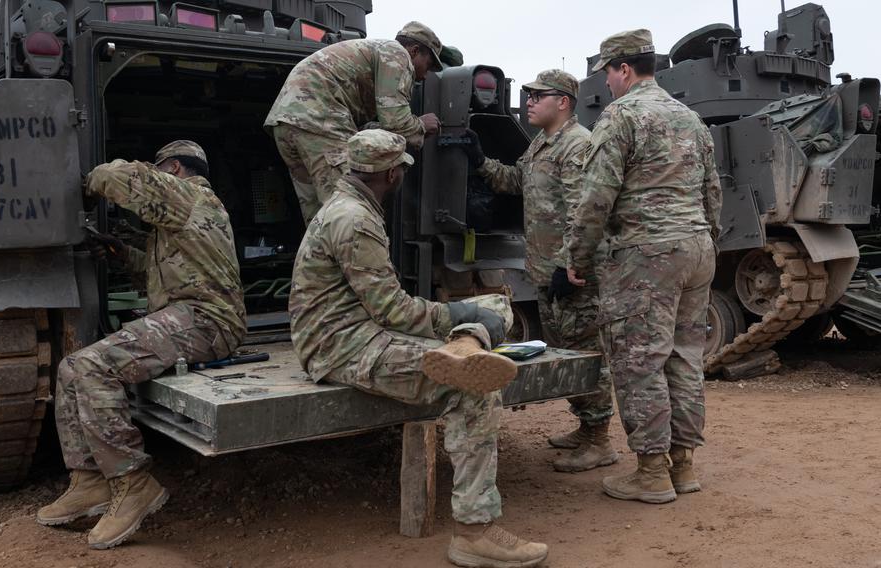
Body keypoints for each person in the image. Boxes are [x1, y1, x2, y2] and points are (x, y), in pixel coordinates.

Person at [289, 129, 549, 568]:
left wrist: (468, 312)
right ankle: (474, 531)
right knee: (476, 392)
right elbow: (393, 311)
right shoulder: (354, 220)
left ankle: (468, 345)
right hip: (341, 345)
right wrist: (455, 313)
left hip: (353, 331)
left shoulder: (347, 206)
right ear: (393, 173)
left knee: (493, 305)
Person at [37, 141, 247, 548]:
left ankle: (133, 482)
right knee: (70, 367)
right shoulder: (185, 217)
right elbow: (165, 278)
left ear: (172, 168)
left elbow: (118, 177)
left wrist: (86, 183)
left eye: (159, 171)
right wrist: (120, 253)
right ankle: (89, 480)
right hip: (191, 315)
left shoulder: (190, 194)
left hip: (208, 321)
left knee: (92, 366)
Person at [565, 30, 722, 504]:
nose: (607, 84)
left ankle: (652, 471)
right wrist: (703, 240)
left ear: (624, 70)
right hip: (695, 248)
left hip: (645, 255)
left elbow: (595, 197)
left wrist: (577, 256)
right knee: (684, 358)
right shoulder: (690, 117)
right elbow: (712, 192)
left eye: (608, 74)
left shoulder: (622, 115)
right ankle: (683, 465)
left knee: (640, 361)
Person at [461, 69, 618, 473]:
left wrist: (572, 265)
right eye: (528, 95)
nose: (528, 101)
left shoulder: (577, 146)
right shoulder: (542, 146)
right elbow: (518, 182)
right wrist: (481, 161)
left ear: (563, 102)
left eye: (537, 95)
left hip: (573, 275)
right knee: (567, 351)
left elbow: (584, 213)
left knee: (586, 355)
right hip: (549, 273)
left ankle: (600, 440)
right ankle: (586, 428)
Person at [264, 21, 444, 224]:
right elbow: (396, 122)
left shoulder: (373, 52)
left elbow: (374, 126)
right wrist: (421, 125)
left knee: (320, 218)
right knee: (348, 209)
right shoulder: (397, 54)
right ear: (414, 50)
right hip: (319, 118)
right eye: (428, 65)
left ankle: (320, 256)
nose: (425, 76)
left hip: (288, 123)